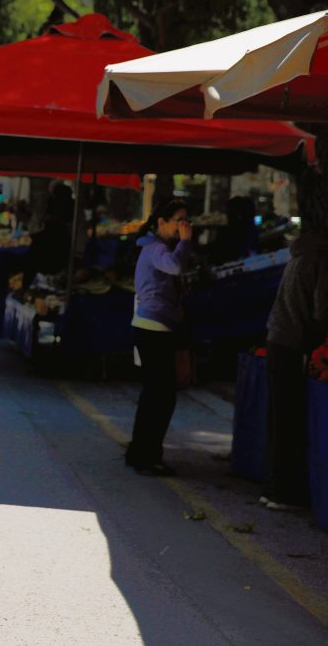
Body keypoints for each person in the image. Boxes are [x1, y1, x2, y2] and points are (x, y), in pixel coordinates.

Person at [262, 218, 328, 510]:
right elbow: (323, 312)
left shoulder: (303, 252)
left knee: (279, 417)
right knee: (289, 419)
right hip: (295, 344)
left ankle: (273, 486)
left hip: (277, 337)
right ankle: (281, 492)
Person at [125, 199, 192, 477]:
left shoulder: (155, 247)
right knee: (161, 396)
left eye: (187, 220)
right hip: (153, 328)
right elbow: (175, 267)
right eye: (179, 220)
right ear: (161, 222)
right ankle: (147, 456)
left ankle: (140, 452)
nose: (184, 226)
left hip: (156, 325)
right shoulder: (155, 249)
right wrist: (185, 242)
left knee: (155, 394)